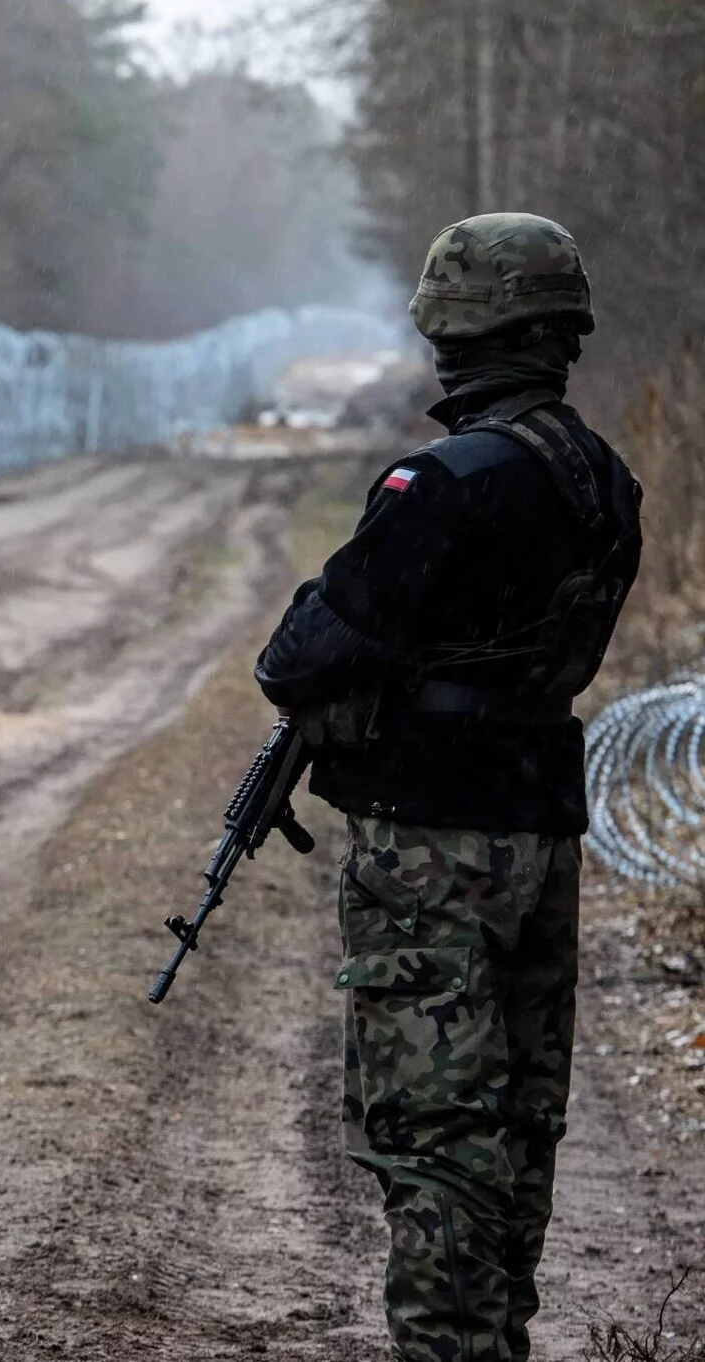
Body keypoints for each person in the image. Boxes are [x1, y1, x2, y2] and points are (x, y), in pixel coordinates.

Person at [254, 213, 643, 1362]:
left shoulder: (443, 482)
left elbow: (301, 658)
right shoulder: (603, 482)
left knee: (432, 1139)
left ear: (456, 328)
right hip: (541, 826)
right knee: (518, 1127)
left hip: (431, 845)